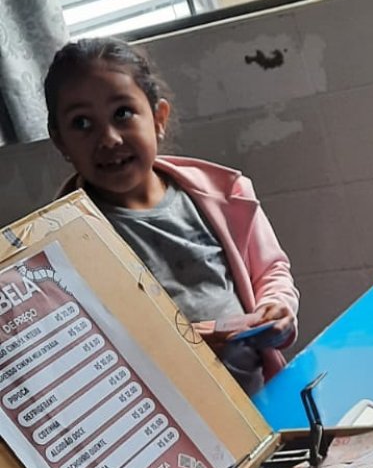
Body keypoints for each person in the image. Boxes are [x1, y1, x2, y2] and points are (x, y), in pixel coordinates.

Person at [44, 36, 299, 397]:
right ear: (61, 143)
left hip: (261, 397)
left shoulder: (225, 194)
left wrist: (276, 308)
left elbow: (270, 271)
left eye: (122, 113)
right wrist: (191, 345)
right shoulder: (60, 247)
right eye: (82, 124)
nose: (109, 138)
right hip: (163, 428)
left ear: (158, 118)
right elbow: (85, 356)